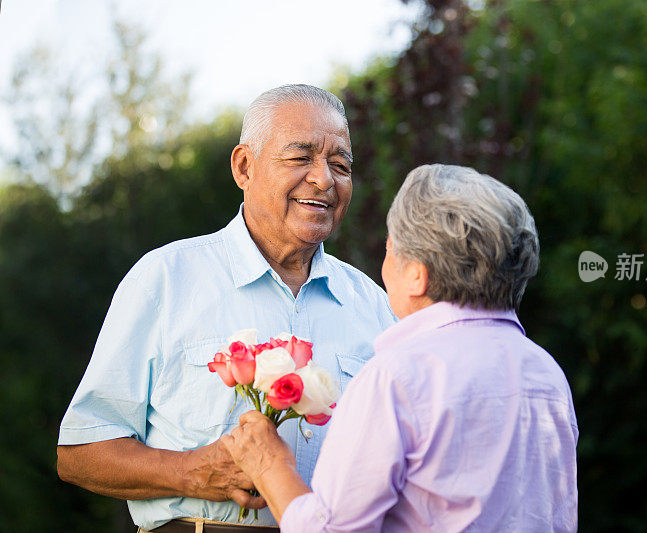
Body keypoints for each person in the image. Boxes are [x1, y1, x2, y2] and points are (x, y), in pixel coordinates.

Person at [56, 84, 397, 532]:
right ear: (243, 166)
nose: (324, 179)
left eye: (341, 165)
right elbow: (80, 452)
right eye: (300, 158)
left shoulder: (374, 304)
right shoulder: (166, 278)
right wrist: (192, 472)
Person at [222, 164, 580, 532]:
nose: (384, 264)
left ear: (416, 275)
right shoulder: (547, 374)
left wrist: (270, 466)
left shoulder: (400, 376)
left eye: (391, 248)